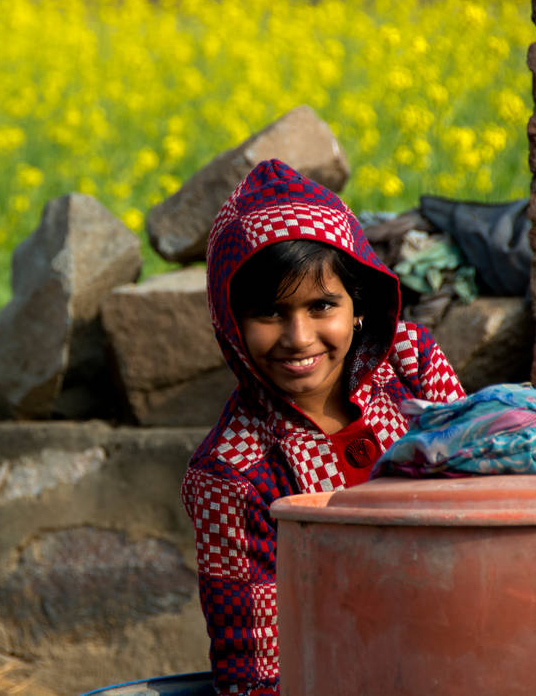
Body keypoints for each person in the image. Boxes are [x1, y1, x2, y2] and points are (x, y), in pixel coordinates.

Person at [181, 159, 465, 695]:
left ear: (358, 305)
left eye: (322, 306)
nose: (299, 337)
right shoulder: (232, 474)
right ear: (231, 323)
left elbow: (490, 491)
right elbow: (256, 667)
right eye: (269, 313)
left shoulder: (410, 363)